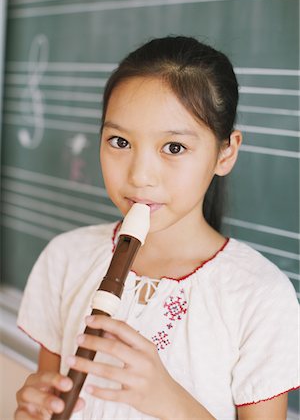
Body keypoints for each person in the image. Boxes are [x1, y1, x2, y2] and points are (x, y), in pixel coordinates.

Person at [15, 36, 299, 420]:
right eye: (119, 141)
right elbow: (45, 396)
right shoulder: (65, 257)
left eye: (174, 148)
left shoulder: (260, 296)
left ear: (226, 152)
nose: (140, 175)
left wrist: (172, 402)